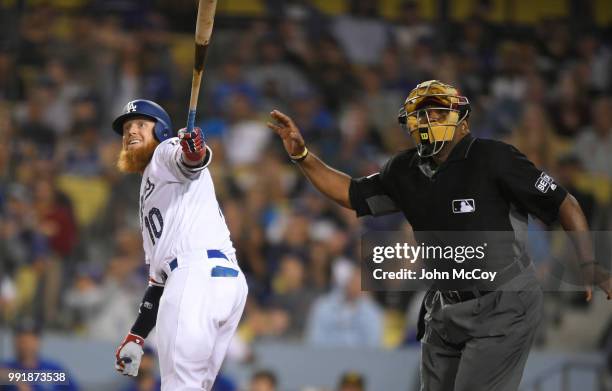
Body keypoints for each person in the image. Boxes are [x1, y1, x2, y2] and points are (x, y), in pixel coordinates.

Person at [268, 80, 611, 391]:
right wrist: (302, 155)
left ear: (462, 119)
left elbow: (564, 203)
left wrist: (589, 262)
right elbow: (350, 192)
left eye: (434, 112)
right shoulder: (403, 170)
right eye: (419, 115)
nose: (426, 121)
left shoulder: (493, 157)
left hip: (503, 302)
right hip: (446, 306)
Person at [112, 99, 248, 391]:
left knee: (179, 385)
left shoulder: (164, 152)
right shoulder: (150, 187)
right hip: (223, 281)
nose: (131, 131)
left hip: (195, 275)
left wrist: (194, 150)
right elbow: (158, 283)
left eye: (140, 125)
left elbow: (190, 160)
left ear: (161, 131)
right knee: (194, 386)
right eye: (126, 128)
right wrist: (137, 334)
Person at [1, 318, 79, 390]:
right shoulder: (7, 367)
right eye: (22, 340)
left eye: (31, 340)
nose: (27, 345)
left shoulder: (53, 370)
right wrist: (15, 379)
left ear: (38, 341)